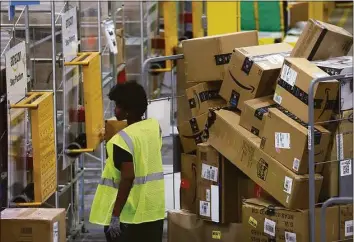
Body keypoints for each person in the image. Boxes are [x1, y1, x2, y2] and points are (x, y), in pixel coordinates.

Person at [89, 81, 165, 242]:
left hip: (129, 218)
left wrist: (115, 216)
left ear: (128, 111)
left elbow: (128, 177)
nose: (115, 110)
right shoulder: (153, 128)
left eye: (118, 106)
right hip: (154, 212)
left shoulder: (121, 141)